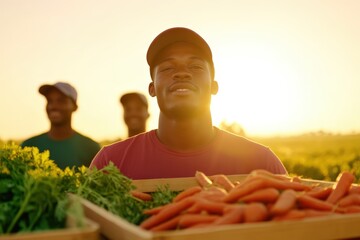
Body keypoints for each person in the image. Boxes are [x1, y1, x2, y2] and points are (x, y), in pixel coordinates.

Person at [90, 27, 287, 179]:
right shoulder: (110, 162)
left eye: (195, 66)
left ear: (213, 86)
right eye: (167, 68)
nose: (182, 73)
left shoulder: (261, 162)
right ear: (152, 88)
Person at [21, 81, 101, 169]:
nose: (53, 106)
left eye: (61, 101)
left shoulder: (92, 149)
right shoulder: (28, 146)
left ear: (74, 107)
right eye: (50, 101)